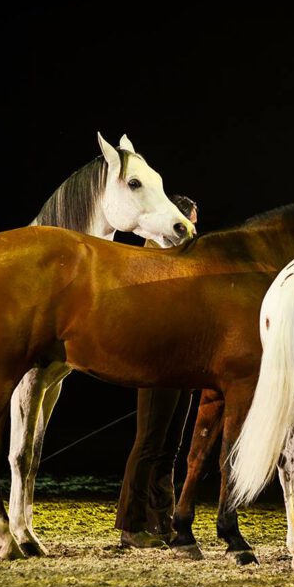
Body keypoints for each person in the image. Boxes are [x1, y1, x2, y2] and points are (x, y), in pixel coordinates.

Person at [114, 195, 197, 548]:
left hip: (183, 362)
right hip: (157, 360)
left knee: (170, 448)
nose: (193, 228)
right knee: (148, 443)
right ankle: (130, 525)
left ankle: (160, 523)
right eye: (190, 220)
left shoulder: (187, 259)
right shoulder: (151, 256)